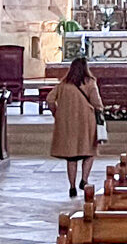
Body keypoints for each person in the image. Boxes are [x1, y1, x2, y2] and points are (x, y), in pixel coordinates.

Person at [48, 57, 104, 196]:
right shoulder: (90, 83)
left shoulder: (63, 84)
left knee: (71, 156)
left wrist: (57, 113)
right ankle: (84, 180)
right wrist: (100, 110)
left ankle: (72, 187)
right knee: (89, 152)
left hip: (68, 123)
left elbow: (49, 99)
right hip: (87, 122)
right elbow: (97, 104)